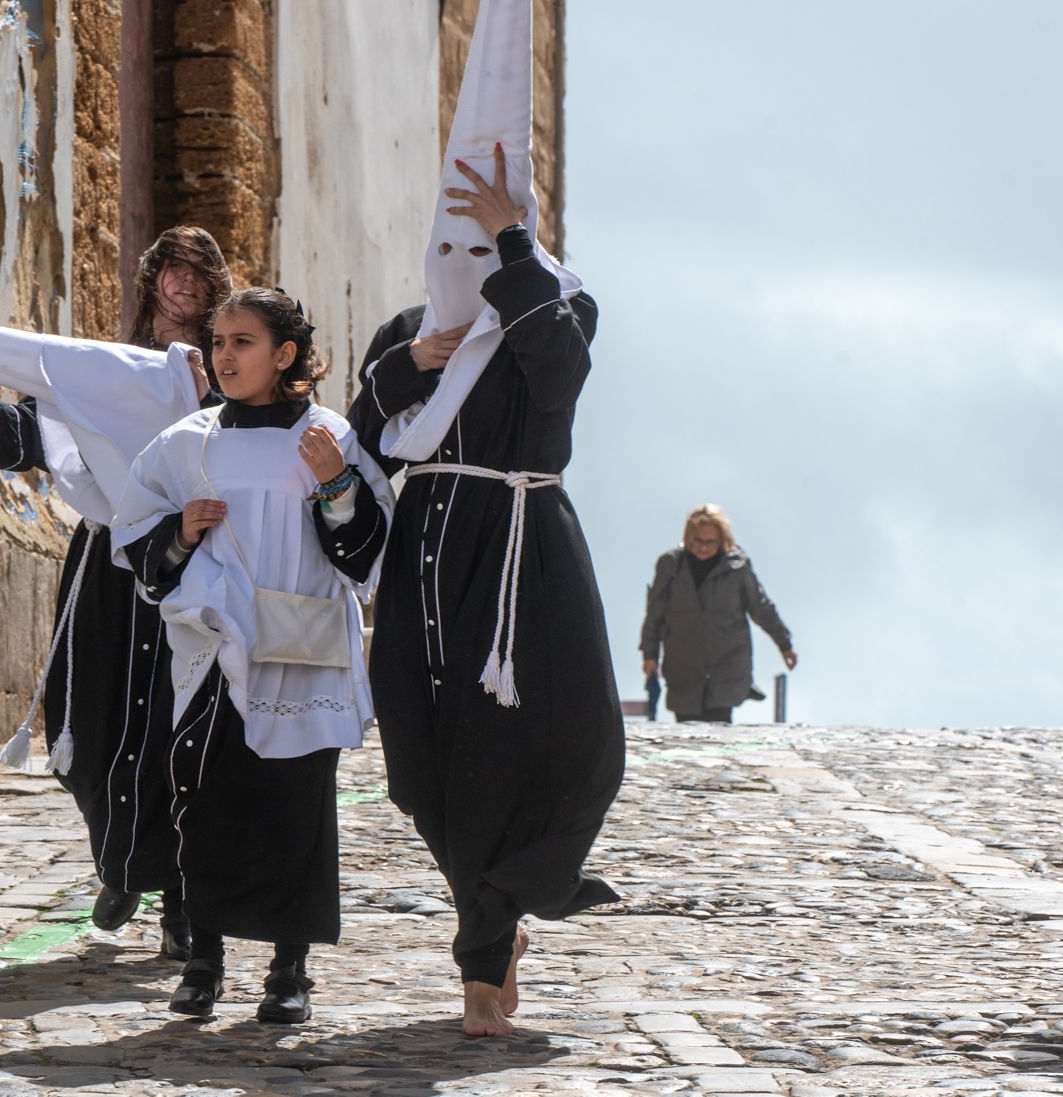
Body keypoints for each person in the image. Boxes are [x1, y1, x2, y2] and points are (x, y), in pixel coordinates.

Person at [346, 0, 622, 1039]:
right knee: (429, 756)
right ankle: (489, 926)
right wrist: (408, 363)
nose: (468, 245)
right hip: (429, 552)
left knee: (539, 742)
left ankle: (491, 930)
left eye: (492, 226)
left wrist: (514, 246)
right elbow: (368, 435)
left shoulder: (557, 305)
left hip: (522, 548)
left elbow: (558, 382)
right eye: (456, 228)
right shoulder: (411, 332)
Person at [0, 227, 232, 959]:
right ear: (150, 281)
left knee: (178, 727)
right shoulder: (95, 371)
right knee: (84, 721)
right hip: (109, 567)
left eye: (197, 273)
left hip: (195, 560)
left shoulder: (227, 367)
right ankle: (120, 858)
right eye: (171, 271)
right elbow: (28, 440)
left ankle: (178, 898)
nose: (184, 285)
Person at [113, 288, 392, 1024]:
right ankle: (203, 960)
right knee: (204, 799)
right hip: (212, 648)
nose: (225, 356)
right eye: (219, 341)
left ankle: (288, 968)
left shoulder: (326, 435)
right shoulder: (187, 443)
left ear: (285, 354)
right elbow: (135, 536)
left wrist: (334, 480)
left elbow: (366, 550)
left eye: (243, 342)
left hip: (298, 644)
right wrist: (179, 531)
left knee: (294, 807)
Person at [640, 504, 796, 723]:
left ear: (722, 540)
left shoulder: (737, 567)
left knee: (717, 730)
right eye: (697, 541)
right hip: (683, 666)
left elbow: (761, 608)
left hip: (726, 666)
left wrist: (784, 644)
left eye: (710, 542)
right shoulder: (670, 565)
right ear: (688, 538)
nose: (703, 548)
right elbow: (654, 613)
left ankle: (745, 688)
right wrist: (649, 655)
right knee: (687, 731)